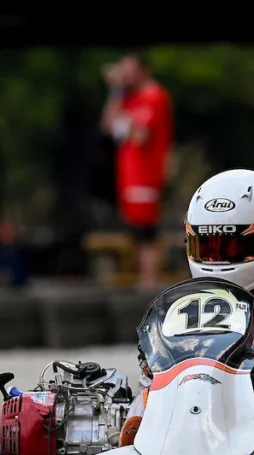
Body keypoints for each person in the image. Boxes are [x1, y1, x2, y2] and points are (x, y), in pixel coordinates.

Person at [120, 169, 254, 455]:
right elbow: (155, 376)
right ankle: (133, 453)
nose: (217, 258)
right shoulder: (181, 303)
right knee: (145, 393)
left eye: (230, 247)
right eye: (208, 247)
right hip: (183, 421)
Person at [100, 53, 173, 290]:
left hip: (146, 176)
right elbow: (108, 125)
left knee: (146, 234)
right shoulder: (129, 98)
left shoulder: (154, 96)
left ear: (143, 70)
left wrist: (126, 118)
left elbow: (141, 135)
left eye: (129, 70)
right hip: (130, 176)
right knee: (136, 234)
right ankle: (145, 283)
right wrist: (115, 91)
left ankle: (150, 285)